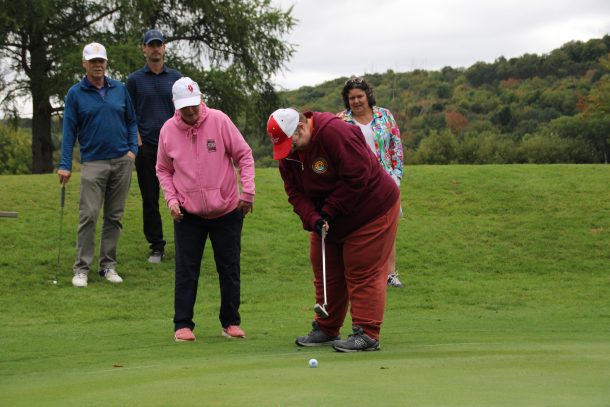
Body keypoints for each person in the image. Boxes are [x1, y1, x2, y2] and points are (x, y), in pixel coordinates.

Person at [266, 107, 400, 352]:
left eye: (291, 142)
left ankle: (367, 333)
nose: (289, 150)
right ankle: (327, 327)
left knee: (362, 268)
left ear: (302, 126)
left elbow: (358, 176)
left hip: (371, 210)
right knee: (325, 267)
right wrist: (314, 218)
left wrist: (329, 210)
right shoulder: (289, 155)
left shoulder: (335, 133)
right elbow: (295, 193)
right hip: (333, 214)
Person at [156, 77, 255, 342]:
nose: (191, 111)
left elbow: (243, 155)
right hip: (188, 214)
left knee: (229, 267)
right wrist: (171, 200)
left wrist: (248, 191)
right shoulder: (168, 130)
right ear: (176, 106)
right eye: (185, 107)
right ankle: (183, 324)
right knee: (186, 270)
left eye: (195, 105)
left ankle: (231, 322)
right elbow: (163, 169)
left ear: (201, 100)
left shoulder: (220, 120)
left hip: (227, 209)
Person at [57, 42, 138, 288]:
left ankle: (107, 266)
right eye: (93, 62)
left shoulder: (119, 89)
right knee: (89, 216)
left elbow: (132, 121)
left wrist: (132, 151)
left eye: (101, 61)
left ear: (106, 63)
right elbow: (69, 130)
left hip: (121, 161)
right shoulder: (75, 93)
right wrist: (65, 164)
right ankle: (81, 269)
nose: (98, 66)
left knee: (114, 216)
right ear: (84, 64)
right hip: (92, 162)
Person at [337, 77, 405, 288]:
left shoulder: (384, 116)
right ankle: (361, 273)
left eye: (360, 96)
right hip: (355, 183)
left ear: (368, 96)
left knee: (388, 226)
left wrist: (396, 175)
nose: (356, 101)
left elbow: (396, 146)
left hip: (386, 180)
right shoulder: (340, 121)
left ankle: (390, 274)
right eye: (352, 98)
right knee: (359, 227)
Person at [127, 29, 182, 263]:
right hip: (147, 147)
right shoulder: (135, 80)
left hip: (175, 147)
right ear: (144, 49)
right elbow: (129, 113)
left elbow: (183, 110)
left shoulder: (176, 77)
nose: (155, 49)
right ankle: (156, 246)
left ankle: (185, 242)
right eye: (151, 45)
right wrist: (136, 139)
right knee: (150, 199)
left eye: (159, 45)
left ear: (165, 47)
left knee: (182, 196)